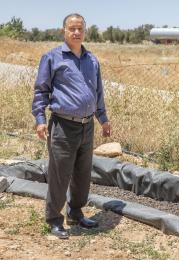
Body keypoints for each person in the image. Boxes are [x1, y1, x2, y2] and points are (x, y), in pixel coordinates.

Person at [32, 13, 111, 239]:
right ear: (63, 31)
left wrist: (103, 119)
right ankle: (54, 219)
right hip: (63, 126)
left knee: (82, 174)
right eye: (72, 29)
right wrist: (40, 120)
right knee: (60, 174)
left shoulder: (91, 60)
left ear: (84, 31)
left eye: (80, 29)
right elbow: (41, 91)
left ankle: (75, 212)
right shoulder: (52, 57)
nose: (76, 33)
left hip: (87, 127)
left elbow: (97, 93)